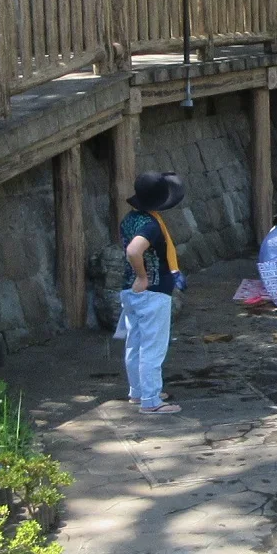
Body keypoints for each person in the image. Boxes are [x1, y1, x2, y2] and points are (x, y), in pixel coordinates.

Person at [117, 171, 187, 415]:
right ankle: (151, 400)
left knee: (134, 344)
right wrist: (143, 276)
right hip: (152, 291)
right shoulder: (150, 225)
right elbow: (134, 251)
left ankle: (138, 392)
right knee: (153, 347)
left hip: (130, 291)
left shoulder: (130, 219)